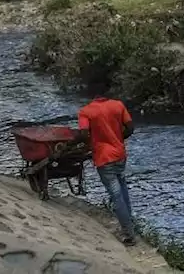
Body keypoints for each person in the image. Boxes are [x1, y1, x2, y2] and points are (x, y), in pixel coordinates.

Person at [77, 82, 137, 245]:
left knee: (116, 195)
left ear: (91, 96)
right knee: (123, 188)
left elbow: (83, 133)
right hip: (120, 155)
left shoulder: (86, 112)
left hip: (104, 158)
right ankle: (131, 224)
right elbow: (130, 128)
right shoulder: (118, 105)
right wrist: (117, 139)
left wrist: (90, 142)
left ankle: (129, 234)